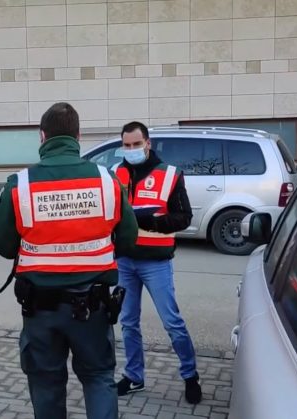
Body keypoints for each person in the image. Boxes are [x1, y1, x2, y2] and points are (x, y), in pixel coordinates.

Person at [0, 102, 139, 419]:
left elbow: (3, 245)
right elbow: (128, 238)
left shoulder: (21, 184)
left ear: (42, 137)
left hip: (40, 309)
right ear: (78, 136)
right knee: (99, 378)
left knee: (46, 384)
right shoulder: (107, 180)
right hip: (93, 307)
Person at [112, 121, 203, 404]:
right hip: (125, 261)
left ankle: (190, 376)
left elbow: (184, 217)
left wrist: (152, 222)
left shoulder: (170, 174)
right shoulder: (117, 173)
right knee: (128, 323)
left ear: (147, 143)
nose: (131, 150)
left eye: (136, 144)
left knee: (172, 322)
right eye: (126, 145)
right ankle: (134, 376)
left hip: (156, 263)